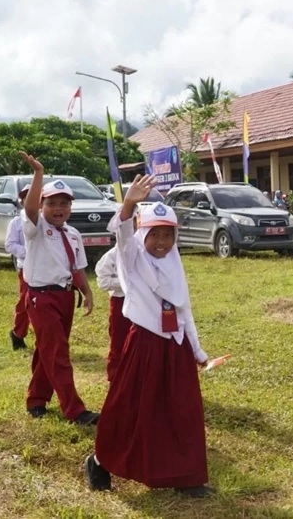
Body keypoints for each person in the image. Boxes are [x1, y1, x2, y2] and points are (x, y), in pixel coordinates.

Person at [86, 177, 213, 497]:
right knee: (129, 408)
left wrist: (196, 350)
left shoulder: (174, 264)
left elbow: (184, 311)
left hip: (176, 347)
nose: (161, 242)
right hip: (144, 345)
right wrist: (129, 202)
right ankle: (101, 462)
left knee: (182, 412)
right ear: (143, 235)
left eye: (168, 235)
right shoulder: (131, 258)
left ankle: (187, 476)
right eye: (154, 234)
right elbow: (122, 231)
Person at [18, 152, 99, 425]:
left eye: (64, 204)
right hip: (41, 297)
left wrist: (86, 292)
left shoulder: (73, 234)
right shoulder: (36, 227)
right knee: (58, 354)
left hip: (65, 297)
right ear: (42, 206)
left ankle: (36, 400)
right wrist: (38, 174)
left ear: (71, 208)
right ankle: (74, 410)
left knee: (48, 350)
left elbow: (77, 268)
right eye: (51, 203)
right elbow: (30, 210)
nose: (58, 208)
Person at [95, 244, 130, 382]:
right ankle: (115, 380)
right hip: (120, 301)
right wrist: (127, 282)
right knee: (119, 341)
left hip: (144, 302)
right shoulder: (113, 255)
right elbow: (103, 281)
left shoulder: (146, 252)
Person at [5, 184, 32, 350]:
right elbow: (10, 244)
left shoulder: (47, 221)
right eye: (26, 198)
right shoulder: (16, 222)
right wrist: (28, 253)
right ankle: (18, 333)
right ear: (21, 201)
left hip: (48, 271)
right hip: (27, 268)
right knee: (25, 302)